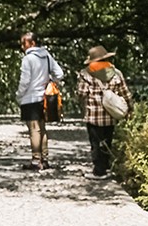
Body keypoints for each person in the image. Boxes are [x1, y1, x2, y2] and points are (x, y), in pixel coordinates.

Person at [76, 44, 134, 179]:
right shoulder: (116, 73)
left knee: (95, 143)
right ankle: (106, 167)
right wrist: (130, 108)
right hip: (110, 115)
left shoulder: (85, 74)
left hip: (93, 116)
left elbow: (81, 93)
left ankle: (98, 171)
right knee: (107, 141)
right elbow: (125, 94)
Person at [15, 32, 64, 170]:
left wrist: (19, 95)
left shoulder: (28, 59)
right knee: (42, 129)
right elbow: (59, 73)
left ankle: (36, 160)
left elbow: (25, 81)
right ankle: (45, 158)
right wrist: (50, 82)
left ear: (32, 43)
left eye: (23, 43)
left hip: (30, 98)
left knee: (34, 130)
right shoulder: (47, 56)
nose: (22, 46)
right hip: (44, 98)